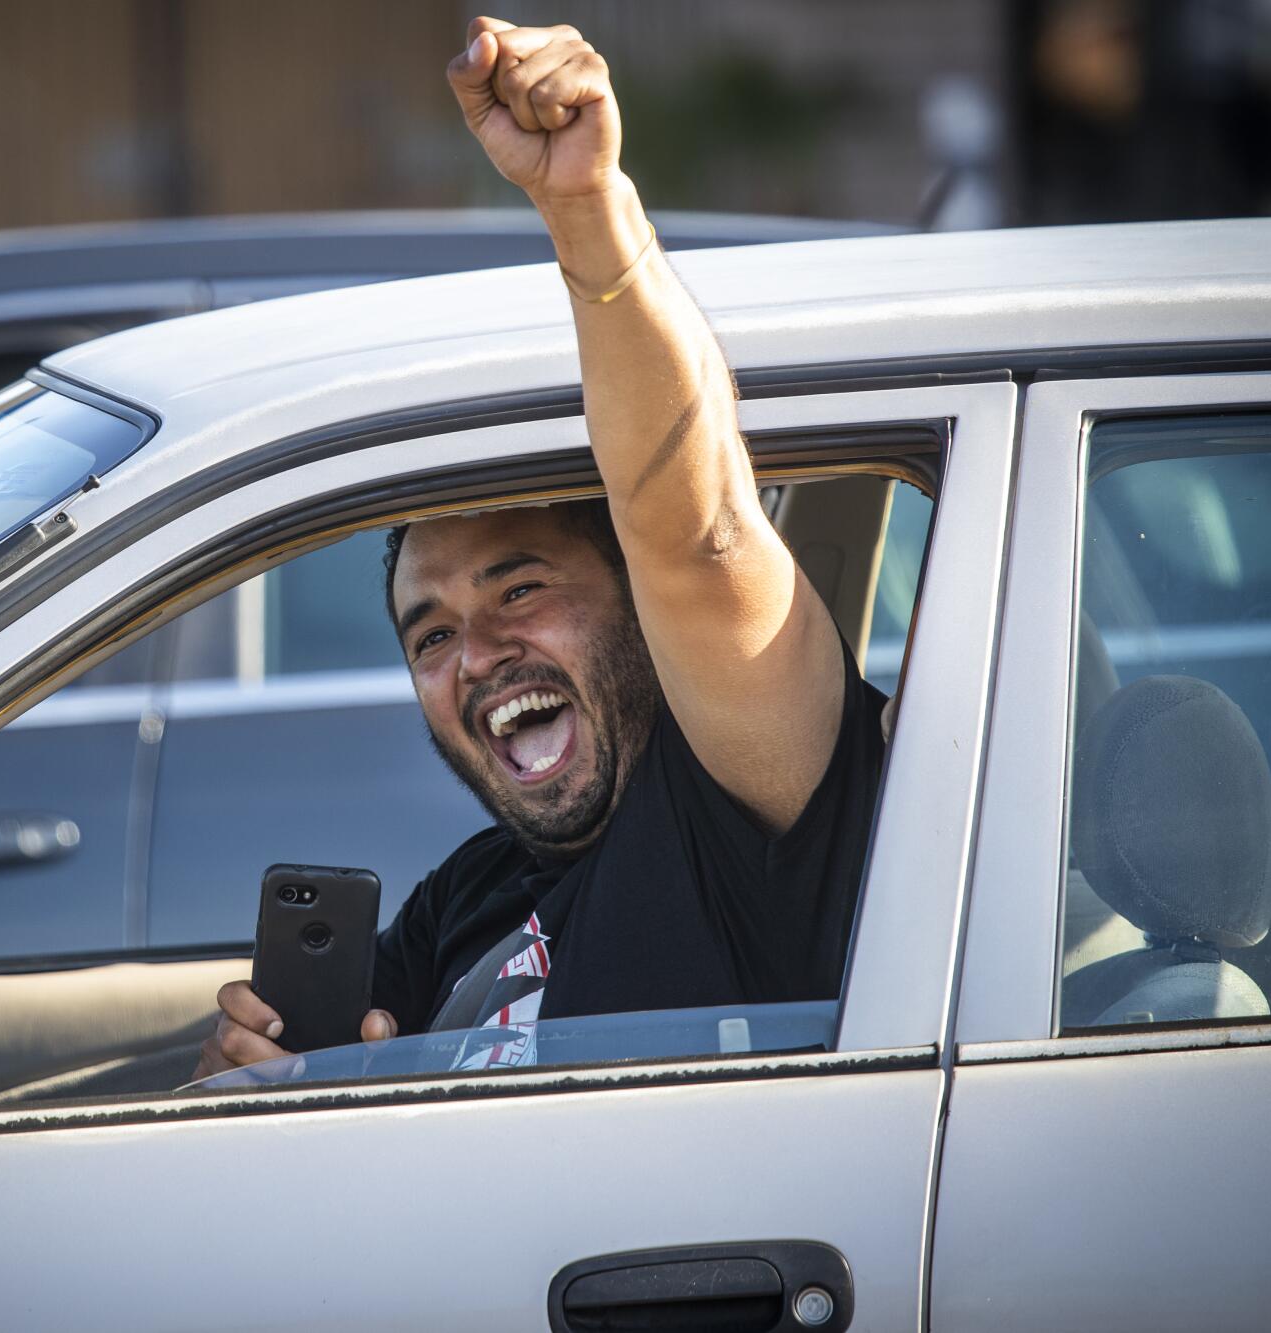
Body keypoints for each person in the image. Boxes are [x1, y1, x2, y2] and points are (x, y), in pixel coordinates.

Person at [194, 17, 886, 1078]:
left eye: (516, 589)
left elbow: (695, 536)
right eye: (428, 636)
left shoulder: (744, 806)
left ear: (634, 597)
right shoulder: (471, 893)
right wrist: (240, 1084)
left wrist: (586, 210)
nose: (473, 656)